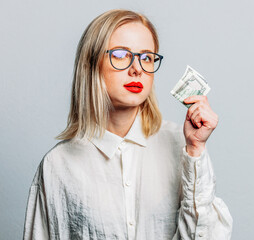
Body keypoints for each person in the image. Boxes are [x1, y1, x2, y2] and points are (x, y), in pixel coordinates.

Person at [23, 9, 233, 240]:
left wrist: (195, 150)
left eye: (146, 57)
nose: (137, 69)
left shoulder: (182, 145)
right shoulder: (58, 165)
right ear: (92, 65)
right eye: (121, 54)